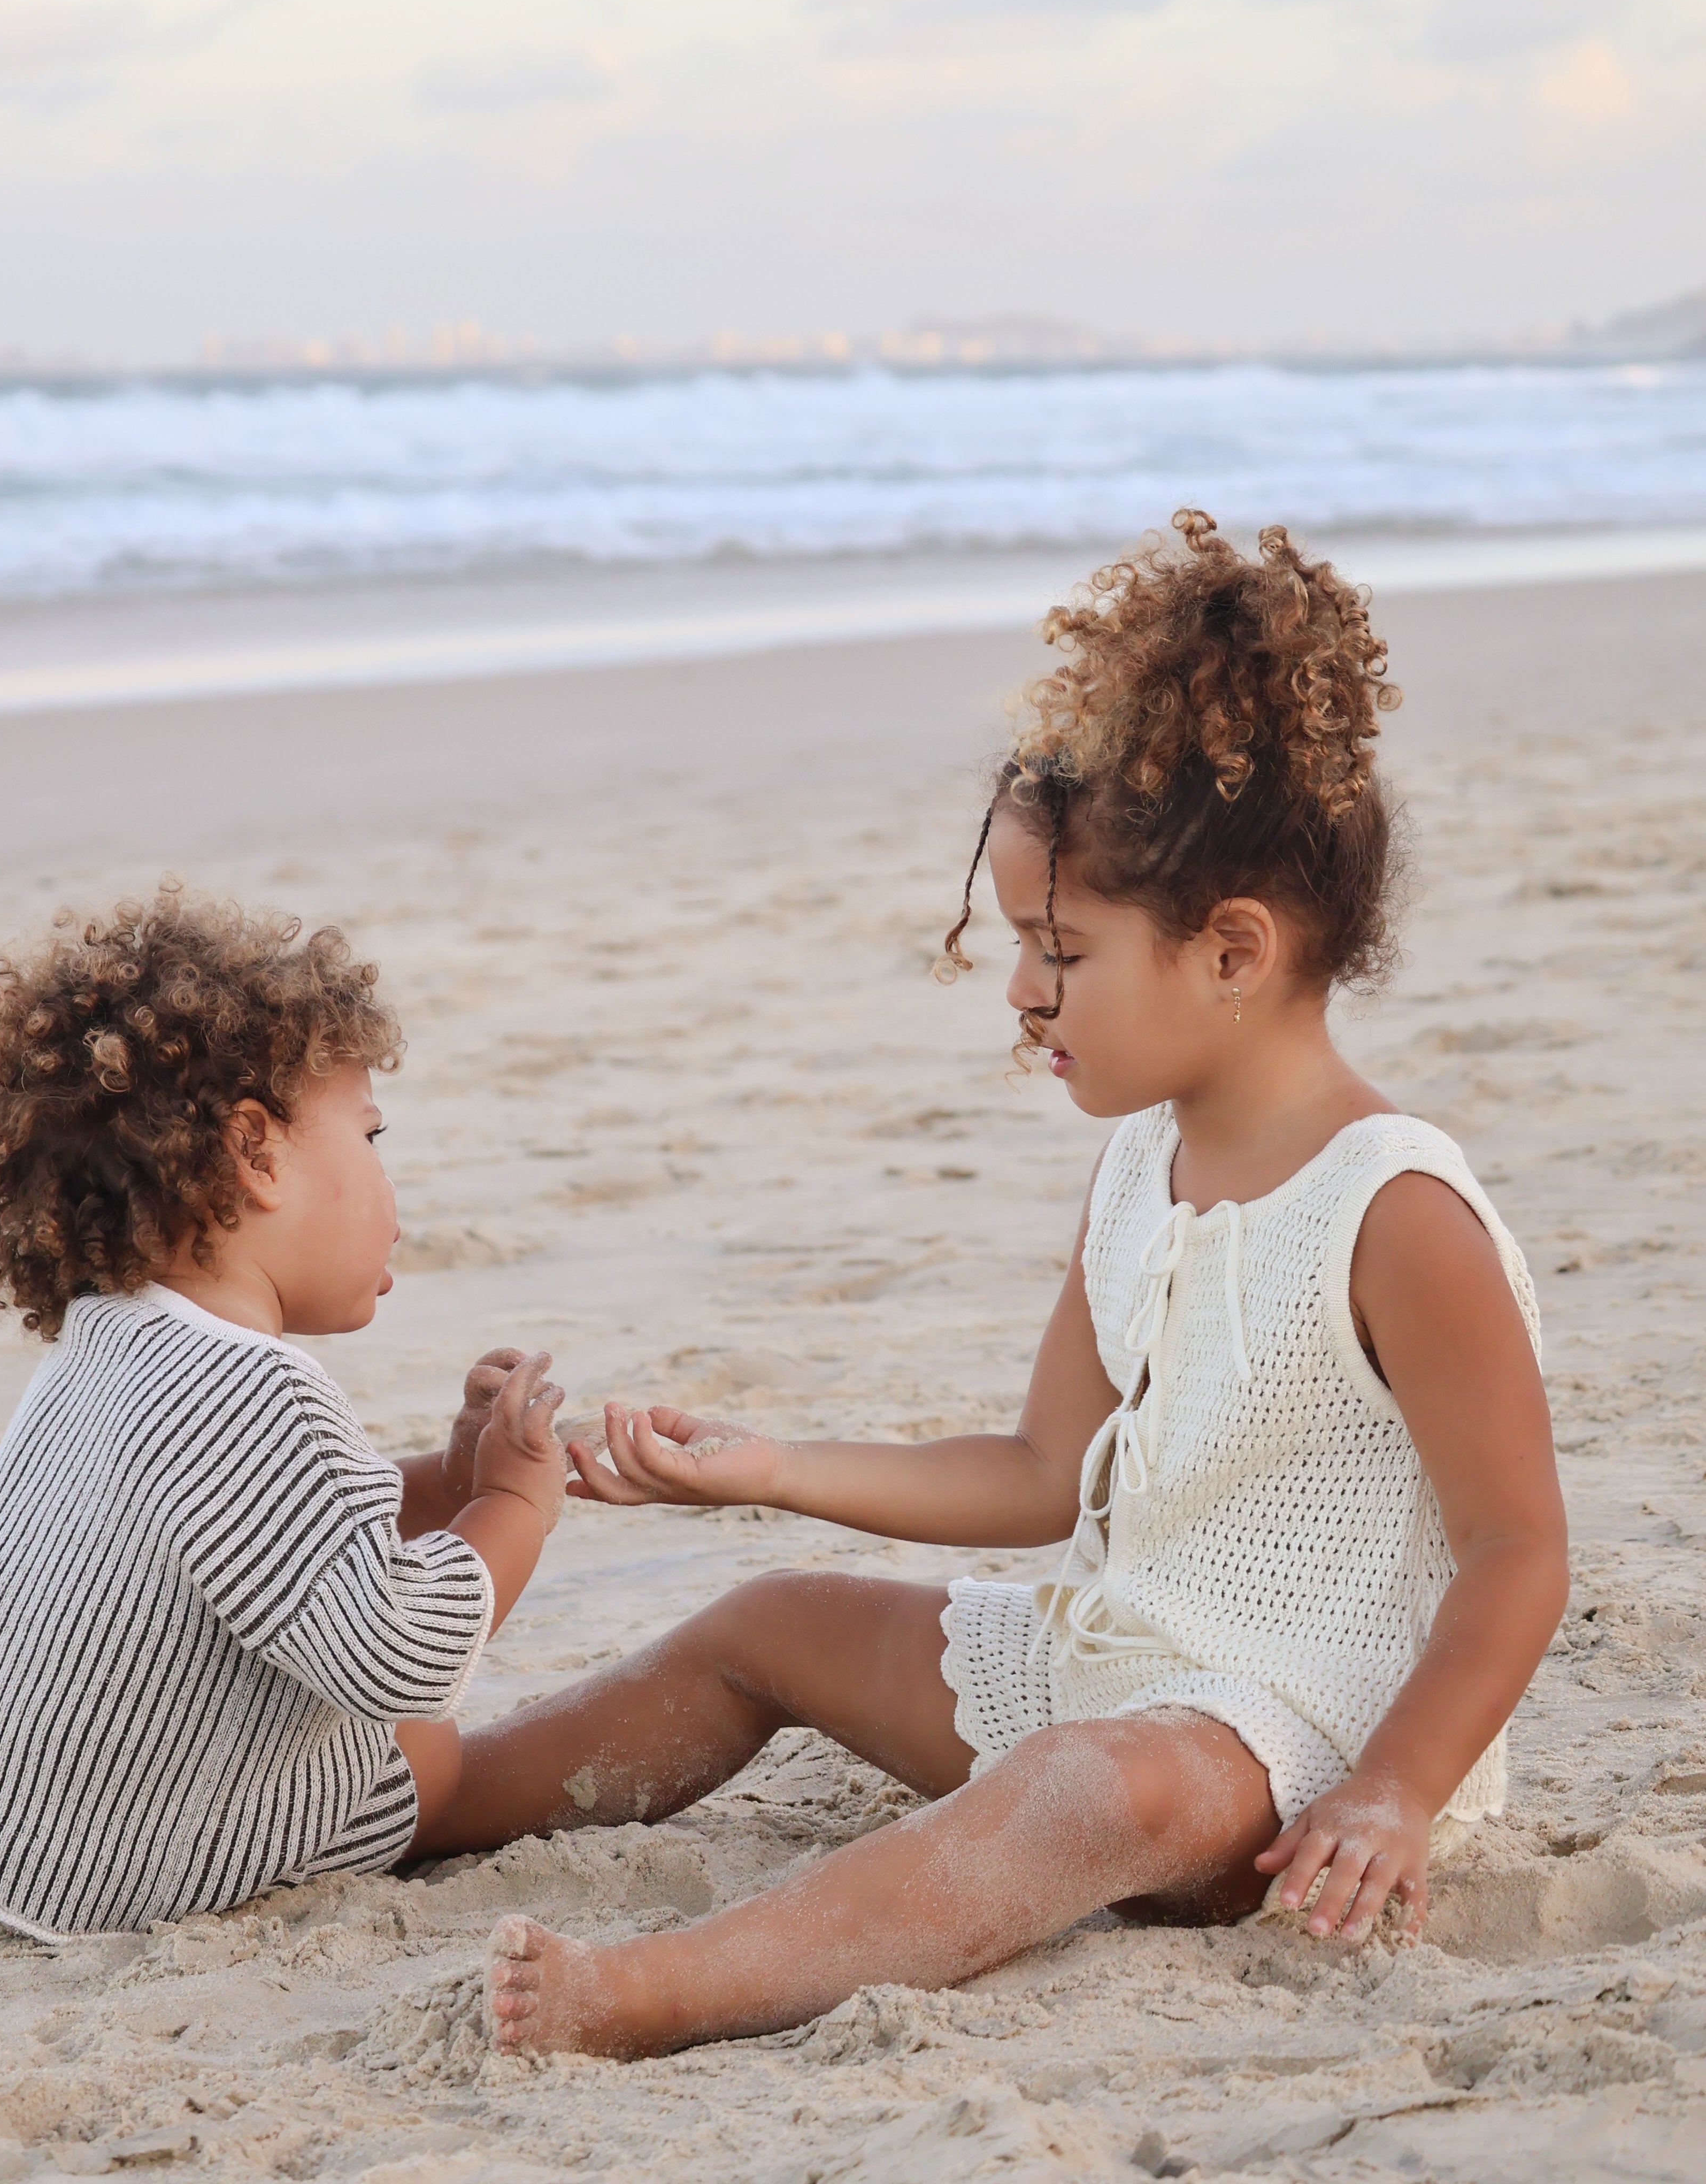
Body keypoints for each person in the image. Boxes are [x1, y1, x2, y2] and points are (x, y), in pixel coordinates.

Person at [427, 513, 1569, 2059]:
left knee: (1086, 1791)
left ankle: (655, 1991)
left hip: (1291, 1740)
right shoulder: (1136, 1171)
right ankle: (424, 1804)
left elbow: (1517, 1553)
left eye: (1063, 950)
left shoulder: (1397, 1210)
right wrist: (763, 1471)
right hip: (1108, 1647)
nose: (1023, 991)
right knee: (772, 1618)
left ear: (1232, 952)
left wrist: (1394, 1790)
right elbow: (1041, 1473)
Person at [0, 889, 565, 1944]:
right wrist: (510, 1504)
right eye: (370, 1135)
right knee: (420, 1746)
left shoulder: (119, 1331)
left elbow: (254, 1530)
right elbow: (398, 1649)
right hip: (89, 1868)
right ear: (256, 1155)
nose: (392, 1187)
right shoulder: (262, 1396)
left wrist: (445, 1478)